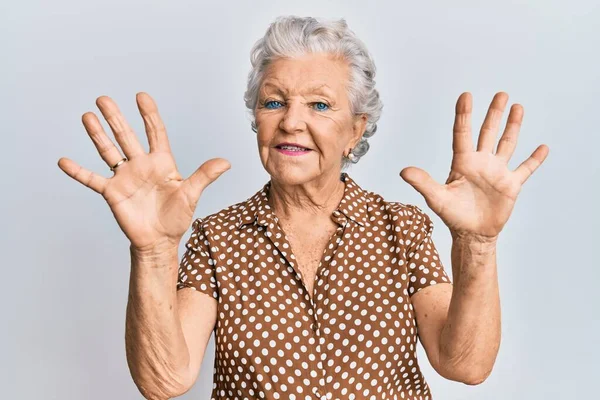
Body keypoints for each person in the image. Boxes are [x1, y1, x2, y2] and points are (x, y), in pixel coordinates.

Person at [57, 15, 549, 400]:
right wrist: (154, 250)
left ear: (355, 131)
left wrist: (478, 243)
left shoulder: (402, 227)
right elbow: (164, 380)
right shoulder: (217, 238)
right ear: (257, 120)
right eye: (274, 103)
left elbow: (465, 364)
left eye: (319, 105)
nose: (291, 121)